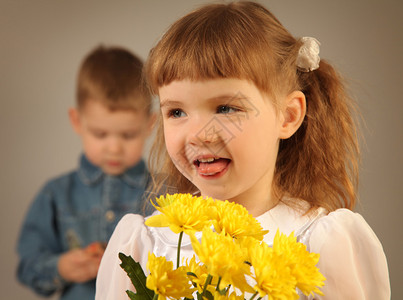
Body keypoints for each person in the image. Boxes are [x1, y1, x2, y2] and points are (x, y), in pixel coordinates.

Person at [95, 2, 390, 299]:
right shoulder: (145, 246)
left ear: (287, 116)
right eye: (176, 112)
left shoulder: (321, 244)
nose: (197, 134)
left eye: (225, 108)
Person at [16, 45, 155, 300]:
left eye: (128, 135)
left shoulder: (163, 193)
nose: (114, 147)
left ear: (150, 125)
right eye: (100, 134)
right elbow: (27, 268)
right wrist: (62, 267)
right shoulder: (55, 194)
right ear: (77, 121)